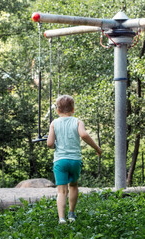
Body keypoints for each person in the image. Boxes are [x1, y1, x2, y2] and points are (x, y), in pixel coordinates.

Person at [47, 95, 102, 224]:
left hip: (60, 161)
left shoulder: (54, 123)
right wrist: (97, 149)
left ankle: (62, 219)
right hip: (75, 160)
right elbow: (83, 134)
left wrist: (55, 145)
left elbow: (49, 144)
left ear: (58, 111)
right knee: (73, 186)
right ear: (73, 109)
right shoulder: (77, 121)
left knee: (61, 190)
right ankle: (71, 214)